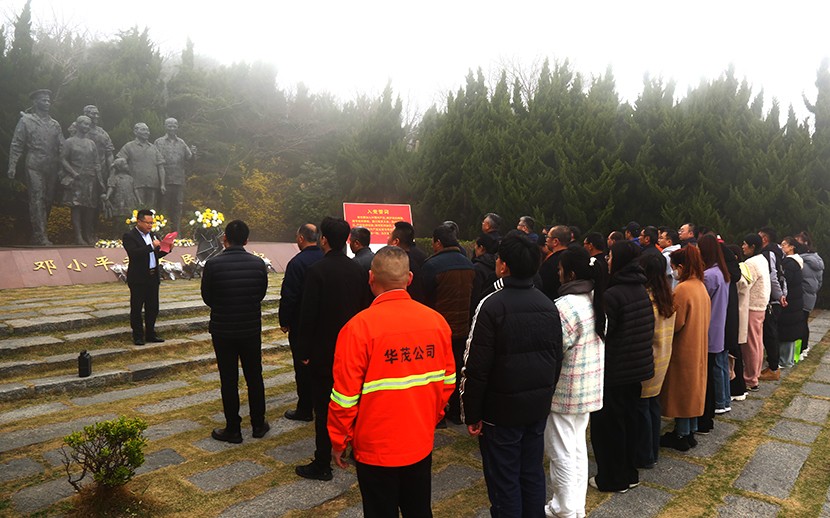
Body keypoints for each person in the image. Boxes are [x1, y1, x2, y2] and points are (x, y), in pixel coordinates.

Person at [328, 246, 455, 517]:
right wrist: (430, 418)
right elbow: (448, 382)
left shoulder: (357, 328)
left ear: (371, 278)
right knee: (418, 510)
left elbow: (344, 397)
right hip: (419, 440)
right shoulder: (437, 322)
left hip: (375, 448)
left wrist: (339, 441)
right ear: (409, 278)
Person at [461, 231, 563, 516]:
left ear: (503, 266)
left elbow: (475, 366)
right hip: (535, 407)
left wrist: (472, 412)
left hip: (501, 412)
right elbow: (556, 360)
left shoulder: (491, 305)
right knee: (531, 472)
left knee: (504, 480)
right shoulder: (547, 304)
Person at [295, 217, 371, 482]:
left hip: (324, 352)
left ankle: (322, 462)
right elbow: (364, 309)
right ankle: (353, 450)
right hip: (354, 350)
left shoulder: (317, 271)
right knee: (354, 402)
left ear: (324, 239)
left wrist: (304, 352)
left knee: (324, 408)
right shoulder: (357, 270)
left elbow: (308, 316)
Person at [545, 246, 604, 518]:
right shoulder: (595, 298)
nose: (557, 274)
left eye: (560, 270)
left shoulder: (566, 307)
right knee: (577, 448)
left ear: (569, 274)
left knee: (562, 452)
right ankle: (574, 506)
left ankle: (566, 508)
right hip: (588, 386)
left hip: (566, 391)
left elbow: (555, 349)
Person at [590, 240, 654, 493]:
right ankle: (629, 473)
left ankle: (612, 478)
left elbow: (604, 332)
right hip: (636, 369)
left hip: (616, 371)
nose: (607, 261)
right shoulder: (640, 288)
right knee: (629, 423)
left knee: (609, 428)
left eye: (610, 257)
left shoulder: (613, 294)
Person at [201, 220, 269, 443]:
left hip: (223, 330)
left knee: (228, 379)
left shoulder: (212, 265)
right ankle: (258, 424)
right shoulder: (258, 264)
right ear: (246, 240)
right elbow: (260, 293)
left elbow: (207, 297)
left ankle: (233, 429)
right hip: (250, 328)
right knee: (254, 376)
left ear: (225, 239)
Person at [421, 223, 475, 425]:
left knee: (436, 371)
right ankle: (456, 411)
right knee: (457, 368)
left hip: (438, 329)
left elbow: (424, 298)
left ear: (437, 243)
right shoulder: (469, 264)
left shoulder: (432, 266)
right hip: (462, 328)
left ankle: (439, 415)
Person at [660, 246, 711, 451]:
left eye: (673, 267)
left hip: (683, 348)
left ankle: (681, 434)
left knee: (682, 392)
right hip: (698, 345)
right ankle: (689, 431)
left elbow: (676, 321)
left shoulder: (682, 289)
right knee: (693, 391)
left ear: (680, 267)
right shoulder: (700, 286)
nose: (673, 272)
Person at [279, 223, 324, 422]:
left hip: (301, 323)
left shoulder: (297, 263)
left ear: (300, 238)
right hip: (324, 322)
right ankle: (320, 403)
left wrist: (285, 320)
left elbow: (289, 296)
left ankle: (305, 408)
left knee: (302, 366)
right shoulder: (325, 258)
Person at [7, 89, 64, 246]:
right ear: (35, 102)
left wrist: (64, 168)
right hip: (34, 163)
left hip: (51, 165)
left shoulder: (55, 124)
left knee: (48, 200)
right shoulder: (26, 121)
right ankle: (41, 235)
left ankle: (38, 233)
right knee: (37, 198)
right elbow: (17, 144)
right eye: (43, 100)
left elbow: (62, 147)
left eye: (48, 100)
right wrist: (12, 165)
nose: (47, 103)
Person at [635, 253, 676, 469]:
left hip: (648, 358)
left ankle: (645, 455)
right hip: (663, 356)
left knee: (642, 407)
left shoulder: (646, 299)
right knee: (652, 405)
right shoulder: (667, 295)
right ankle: (653, 450)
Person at [697, 234, 731, 433]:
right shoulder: (721, 272)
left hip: (708, 330)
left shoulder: (709, 276)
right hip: (718, 329)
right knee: (714, 371)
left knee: (706, 377)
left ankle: (705, 417)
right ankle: (713, 411)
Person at [123, 209, 170, 345]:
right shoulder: (129, 236)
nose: (150, 225)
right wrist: (151, 246)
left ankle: (151, 333)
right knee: (137, 308)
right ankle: (138, 336)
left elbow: (155, 255)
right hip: (138, 278)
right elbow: (134, 253)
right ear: (139, 221)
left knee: (153, 307)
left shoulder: (153, 235)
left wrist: (167, 249)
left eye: (152, 223)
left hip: (153, 276)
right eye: (147, 223)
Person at [60, 115, 102, 245]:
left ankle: (88, 234)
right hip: (77, 178)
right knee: (77, 207)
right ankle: (78, 236)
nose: (87, 127)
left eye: (88, 124)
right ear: (78, 125)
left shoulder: (91, 143)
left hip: (90, 179)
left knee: (90, 208)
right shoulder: (69, 142)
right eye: (84, 124)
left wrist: (99, 179)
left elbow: (96, 162)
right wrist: (73, 173)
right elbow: (62, 159)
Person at [739, 234, 771, 392]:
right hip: (760, 306)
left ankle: (751, 378)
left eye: (745, 244)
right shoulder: (762, 259)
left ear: (752, 247)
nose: (743, 247)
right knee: (757, 342)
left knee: (750, 344)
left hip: (752, 306)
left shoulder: (750, 263)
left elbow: (744, 285)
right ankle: (754, 375)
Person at [155, 118, 194, 232]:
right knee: (163, 207)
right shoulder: (158, 142)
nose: (172, 128)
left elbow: (190, 158)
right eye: (169, 126)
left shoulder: (181, 143)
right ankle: (163, 232)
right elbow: (155, 161)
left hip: (179, 180)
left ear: (177, 127)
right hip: (164, 180)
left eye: (174, 126)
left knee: (178, 207)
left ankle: (176, 233)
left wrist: (194, 153)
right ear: (165, 127)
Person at [116, 122, 166, 209]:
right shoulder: (128, 146)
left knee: (151, 210)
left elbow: (161, 167)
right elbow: (119, 163)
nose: (147, 132)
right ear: (135, 131)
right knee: (138, 210)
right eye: (143, 130)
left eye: (148, 130)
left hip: (153, 185)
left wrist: (162, 184)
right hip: (136, 185)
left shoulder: (153, 148)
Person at [758, 226, 785, 381]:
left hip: (771, 300)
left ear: (765, 239)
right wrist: (783, 294)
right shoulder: (778, 252)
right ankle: (773, 365)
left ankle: (773, 368)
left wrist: (778, 296)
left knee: (770, 334)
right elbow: (782, 276)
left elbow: (772, 276)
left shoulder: (768, 253)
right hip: (777, 297)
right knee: (772, 333)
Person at [795, 231, 824, 358]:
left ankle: (800, 350)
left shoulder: (801, 261)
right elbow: (819, 282)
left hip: (801, 296)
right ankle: (804, 348)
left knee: (799, 324)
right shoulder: (817, 260)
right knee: (804, 322)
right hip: (810, 296)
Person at [778, 236, 805, 368]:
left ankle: (785, 360)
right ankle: (789, 358)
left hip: (790, 301)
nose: (781, 247)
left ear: (791, 247)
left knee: (787, 331)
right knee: (792, 330)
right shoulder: (797, 262)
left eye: (784, 244)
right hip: (795, 301)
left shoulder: (789, 263)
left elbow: (785, 281)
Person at [387, 221, 427, 303]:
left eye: (389, 235)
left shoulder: (391, 264)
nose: (387, 238)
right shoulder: (421, 257)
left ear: (396, 242)